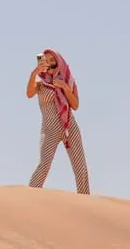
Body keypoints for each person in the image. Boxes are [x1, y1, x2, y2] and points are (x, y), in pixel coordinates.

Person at [25, 48, 90, 194]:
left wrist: (64, 87)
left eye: (52, 59)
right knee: (44, 165)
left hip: (69, 127)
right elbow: (29, 94)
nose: (49, 62)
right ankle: (30, 196)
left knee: (80, 167)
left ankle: (85, 199)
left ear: (59, 62)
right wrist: (34, 72)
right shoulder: (40, 81)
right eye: (46, 60)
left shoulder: (68, 80)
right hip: (49, 129)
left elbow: (75, 105)